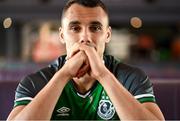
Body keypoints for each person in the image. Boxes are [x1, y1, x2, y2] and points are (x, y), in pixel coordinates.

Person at [7, 0, 164, 120]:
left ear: (107, 35)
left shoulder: (132, 78)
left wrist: (103, 74)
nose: (85, 38)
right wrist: (64, 75)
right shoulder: (36, 82)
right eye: (75, 28)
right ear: (62, 35)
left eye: (95, 28)